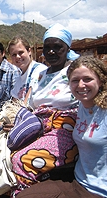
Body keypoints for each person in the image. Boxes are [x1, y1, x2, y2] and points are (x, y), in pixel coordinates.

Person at [16, 56, 107, 198]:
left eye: (87, 79)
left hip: (99, 191)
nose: (81, 85)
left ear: (100, 81)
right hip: (78, 181)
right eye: (75, 80)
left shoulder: (104, 111)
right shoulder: (81, 107)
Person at [8, 23, 80, 197]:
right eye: (47, 47)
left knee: (21, 161)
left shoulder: (74, 71)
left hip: (64, 128)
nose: (52, 52)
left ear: (67, 48)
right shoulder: (43, 74)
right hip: (39, 125)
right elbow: (31, 103)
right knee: (7, 154)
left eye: (58, 47)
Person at [8, 36, 48, 100]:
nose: (17, 57)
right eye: (14, 55)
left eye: (21, 52)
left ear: (29, 51)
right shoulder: (18, 80)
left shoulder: (40, 71)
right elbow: (14, 102)